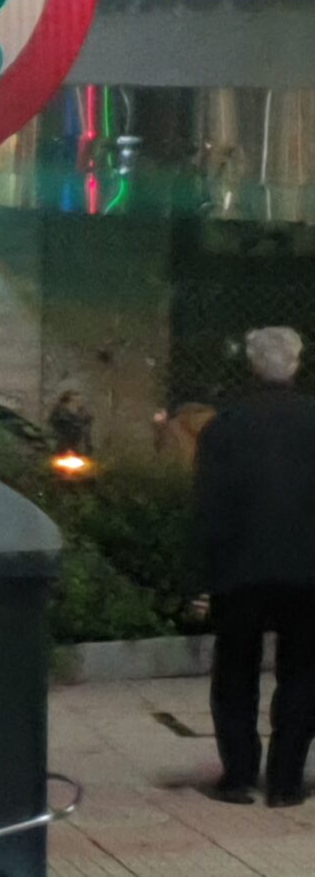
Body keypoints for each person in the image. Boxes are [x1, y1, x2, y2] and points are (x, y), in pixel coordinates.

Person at [192, 326, 315, 807]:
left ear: (250, 365)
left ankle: (240, 773)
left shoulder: (225, 424)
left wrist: (201, 577)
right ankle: (286, 780)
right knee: (303, 672)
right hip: (307, 569)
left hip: (239, 568)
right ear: (297, 364)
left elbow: (207, 505)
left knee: (235, 672)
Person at [48, 389, 96, 456]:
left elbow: (86, 433)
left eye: (80, 401)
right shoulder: (60, 415)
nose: (80, 403)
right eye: (76, 401)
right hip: (63, 448)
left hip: (77, 448)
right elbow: (57, 433)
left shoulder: (83, 415)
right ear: (67, 403)